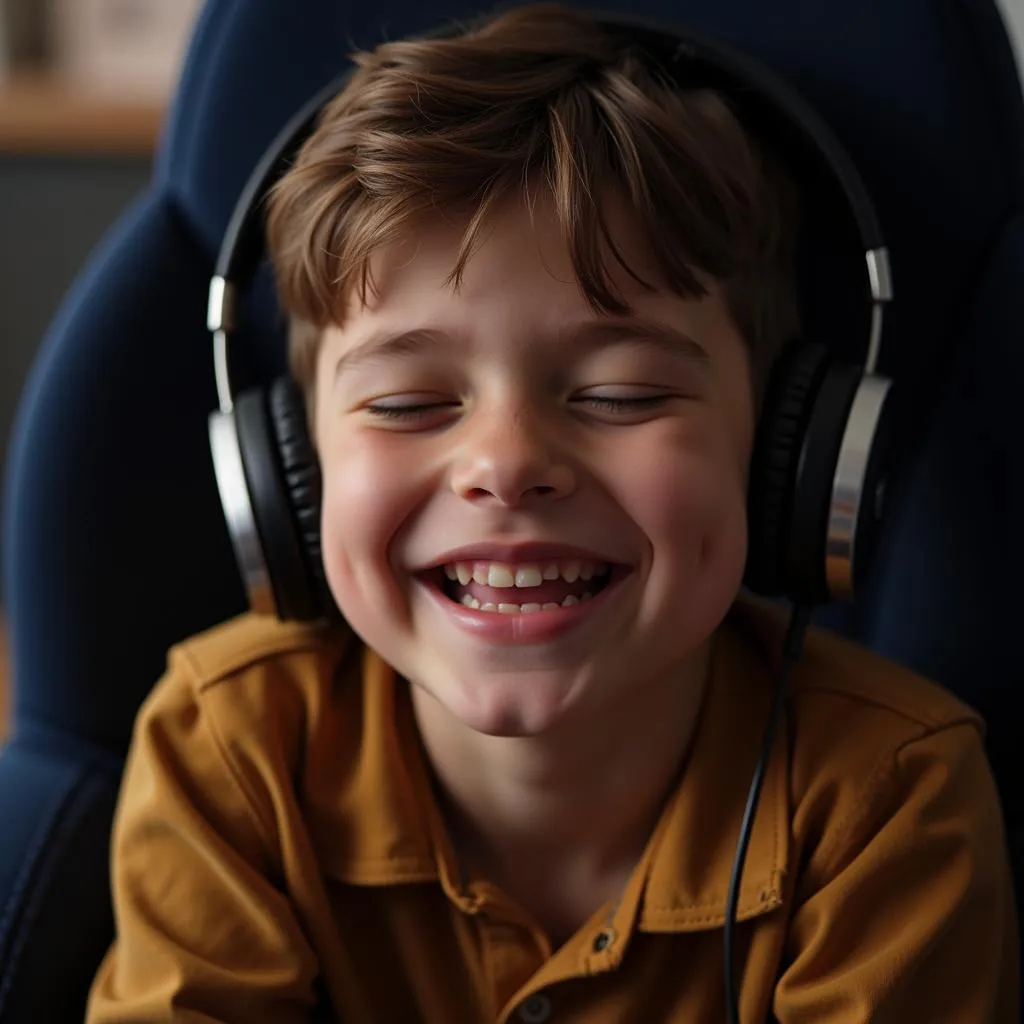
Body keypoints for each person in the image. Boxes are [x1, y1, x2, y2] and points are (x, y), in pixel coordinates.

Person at [86, 5, 1018, 1021]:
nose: (506, 463)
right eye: (407, 402)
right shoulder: (230, 749)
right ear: (293, 470)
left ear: (783, 452)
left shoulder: (886, 798)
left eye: (619, 395)